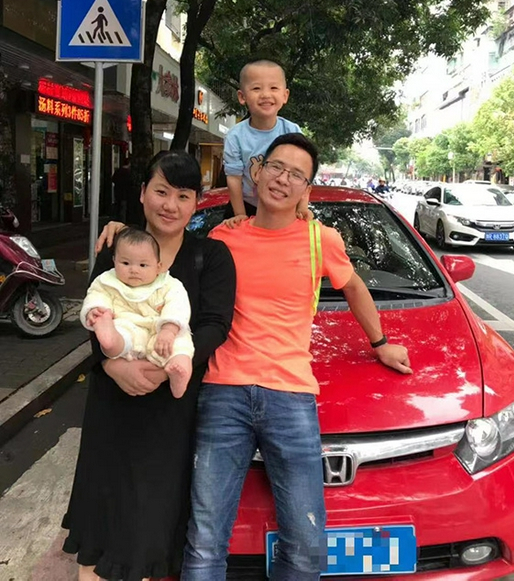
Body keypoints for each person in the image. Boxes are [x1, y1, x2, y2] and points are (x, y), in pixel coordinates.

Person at [182, 133, 412, 581]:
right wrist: (120, 237)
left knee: (306, 547)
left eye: (296, 174)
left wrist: (381, 343)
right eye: (276, 167)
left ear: (306, 189)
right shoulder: (223, 236)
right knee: (205, 542)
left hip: (290, 396)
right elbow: (169, 263)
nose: (282, 179)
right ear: (257, 171)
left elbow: (354, 287)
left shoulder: (319, 239)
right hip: (223, 392)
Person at [62, 150, 236, 581]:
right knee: (101, 521)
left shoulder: (211, 256)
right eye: (161, 191)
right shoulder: (115, 249)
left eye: (183, 195)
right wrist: (111, 366)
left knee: (148, 523)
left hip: (170, 411)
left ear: (196, 203)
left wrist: (161, 371)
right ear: (142, 193)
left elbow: (215, 325)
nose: (170, 205)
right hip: (112, 407)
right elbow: (96, 310)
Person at [80, 226, 194, 399]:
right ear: (114, 260)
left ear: (158, 267)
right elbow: (97, 294)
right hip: (128, 324)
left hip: (161, 331)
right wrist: (96, 310)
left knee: (181, 342)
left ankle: (179, 372)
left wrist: (169, 329)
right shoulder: (108, 281)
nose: (134, 270)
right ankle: (110, 342)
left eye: (143, 265)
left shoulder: (168, 284)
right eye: (125, 263)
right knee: (120, 332)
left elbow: (178, 305)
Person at [222, 59, 309, 223]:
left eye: (273, 88)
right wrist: (239, 214)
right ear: (242, 96)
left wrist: (302, 207)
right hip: (246, 205)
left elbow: (303, 172)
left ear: (285, 95)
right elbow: (234, 178)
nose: (266, 95)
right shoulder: (235, 136)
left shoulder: (292, 131)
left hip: (283, 205)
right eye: (256, 88)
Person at [112, 157, 131, 221]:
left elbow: (113, 179)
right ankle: (122, 220)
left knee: (118, 206)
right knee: (123, 208)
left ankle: (116, 218)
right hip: (125, 193)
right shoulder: (128, 172)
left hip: (117, 191)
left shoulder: (118, 171)